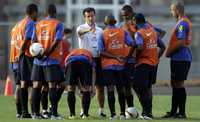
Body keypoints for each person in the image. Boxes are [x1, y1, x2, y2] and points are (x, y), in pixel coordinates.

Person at [98, 15, 134, 120]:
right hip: (121, 66)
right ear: (115, 22)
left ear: (105, 24)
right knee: (121, 89)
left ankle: (113, 114)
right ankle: (122, 114)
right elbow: (133, 43)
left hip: (108, 66)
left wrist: (114, 56)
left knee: (110, 89)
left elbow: (101, 51)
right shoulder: (123, 32)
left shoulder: (103, 34)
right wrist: (127, 56)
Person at [31, 4, 64, 120]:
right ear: (55, 13)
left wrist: (38, 54)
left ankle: (35, 114)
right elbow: (57, 41)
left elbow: (33, 41)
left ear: (45, 13)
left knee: (36, 86)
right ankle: (54, 114)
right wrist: (46, 54)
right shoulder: (58, 24)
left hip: (37, 61)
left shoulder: (38, 24)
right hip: (51, 60)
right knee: (52, 86)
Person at [132, 13, 165, 120]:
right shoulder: (153, 32)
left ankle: (146, 113)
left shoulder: (139, 33)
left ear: (135, 22)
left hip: (143, 64)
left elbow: (140, 46)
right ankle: (148, 112)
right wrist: (156, 57)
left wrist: (135, 57)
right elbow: (163, 47)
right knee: (148, 88)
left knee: (139, 87)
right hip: (153, 64)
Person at [162, 2, 192, 118]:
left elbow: (180, 42)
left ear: (177, 11)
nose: (171, 12)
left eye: (172, 10)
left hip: (181, 58)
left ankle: (182, 113)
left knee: (178, 84)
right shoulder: (183, 22)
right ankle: (174, 111)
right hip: (179, 58)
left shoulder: (182, 23)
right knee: (175, 84)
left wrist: (169, 52)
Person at [76, 7, 106, 118]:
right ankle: (83, 109)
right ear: (85, 17)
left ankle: (101, 111)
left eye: (92, 16)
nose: (90, 18)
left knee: (100, 87)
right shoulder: (81, 28)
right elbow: (79, 33)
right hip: (85, 60)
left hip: (97, 59)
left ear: (95, 16)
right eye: (88, 16)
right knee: (85, 87)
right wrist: (89, 30)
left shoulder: (100, 30)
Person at [16, 3, 38, 118]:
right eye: (36, 13)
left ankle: (24, 112)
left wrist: (19, 53)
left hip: (22, 56)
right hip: (28, 55)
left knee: (23, 83)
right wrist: (21, 52)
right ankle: (35, 112)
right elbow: (27, 39)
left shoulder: (20, 23)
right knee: (35, 83)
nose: (37, 15)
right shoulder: (30, 23)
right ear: (34, 12)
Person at [65, 49, 93, 119]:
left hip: (70, 62)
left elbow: (66, 66)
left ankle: (72, 114)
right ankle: (85, 115)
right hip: (85, 62)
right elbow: (93, 70)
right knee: (86, 89)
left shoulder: (71, 54)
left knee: (71, 88)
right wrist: (91, 86)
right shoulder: (89, 54)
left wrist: (78, 85)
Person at [118, 4, 136, 109]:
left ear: (131, 13)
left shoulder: (136, 24)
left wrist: (129, 28)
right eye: (123, 16)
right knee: (124, 86)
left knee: (137, 86)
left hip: (134, 59)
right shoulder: (120, 25)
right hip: (123, 60)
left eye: (126, 15)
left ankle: (147, 111)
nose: (124, 18)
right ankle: (128, 109)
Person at [10, 22, 22, 118]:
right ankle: (22, 112)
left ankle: (19, 112)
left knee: (19, 86)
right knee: (23, 86)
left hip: (14, 60)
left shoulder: (14, 28)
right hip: (20, 60)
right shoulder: (22, 29)